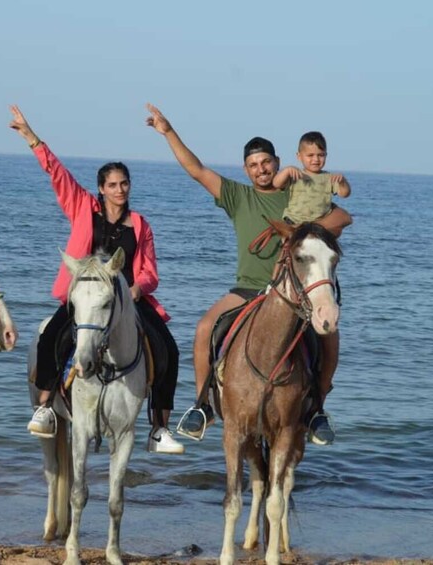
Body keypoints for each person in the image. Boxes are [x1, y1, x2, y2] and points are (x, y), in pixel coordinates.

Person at [145, 103, 347, 445]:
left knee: (329, 337)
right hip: (247, 289)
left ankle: (317, 411)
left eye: (266, 162)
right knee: (205, 327)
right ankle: (203, 405)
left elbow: (343, 218)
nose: (261, 169)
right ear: (246, 170)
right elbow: (196, 170)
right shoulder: (238, 196)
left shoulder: (298, 193)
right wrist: (168, 131)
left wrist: (303, 231)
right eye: (253, 165)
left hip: (293, 296)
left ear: (278, 163)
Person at [9, 105, 184, 455]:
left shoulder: (140, 225)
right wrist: (32, 138)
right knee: (50, 339)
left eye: (124, 184)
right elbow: (58, 175)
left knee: (169, 350)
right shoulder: (83, 208)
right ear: (101, 189)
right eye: (112, 185)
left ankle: (159, 429)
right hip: (87, 298)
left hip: (128, 301)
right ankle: (45, 406)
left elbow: (150, 271)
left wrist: (138, 287)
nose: (120, 190)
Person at [272, 131, 352, 226]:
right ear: (299, 156)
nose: (316, 159)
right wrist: (286, 171)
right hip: (293, 222)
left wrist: (342, 182)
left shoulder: (329, 178)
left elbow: (344, 194)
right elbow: (276, 184)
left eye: (321, 155)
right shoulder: (295, 174)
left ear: (326, 155)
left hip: (319, 225)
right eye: (310, 155)